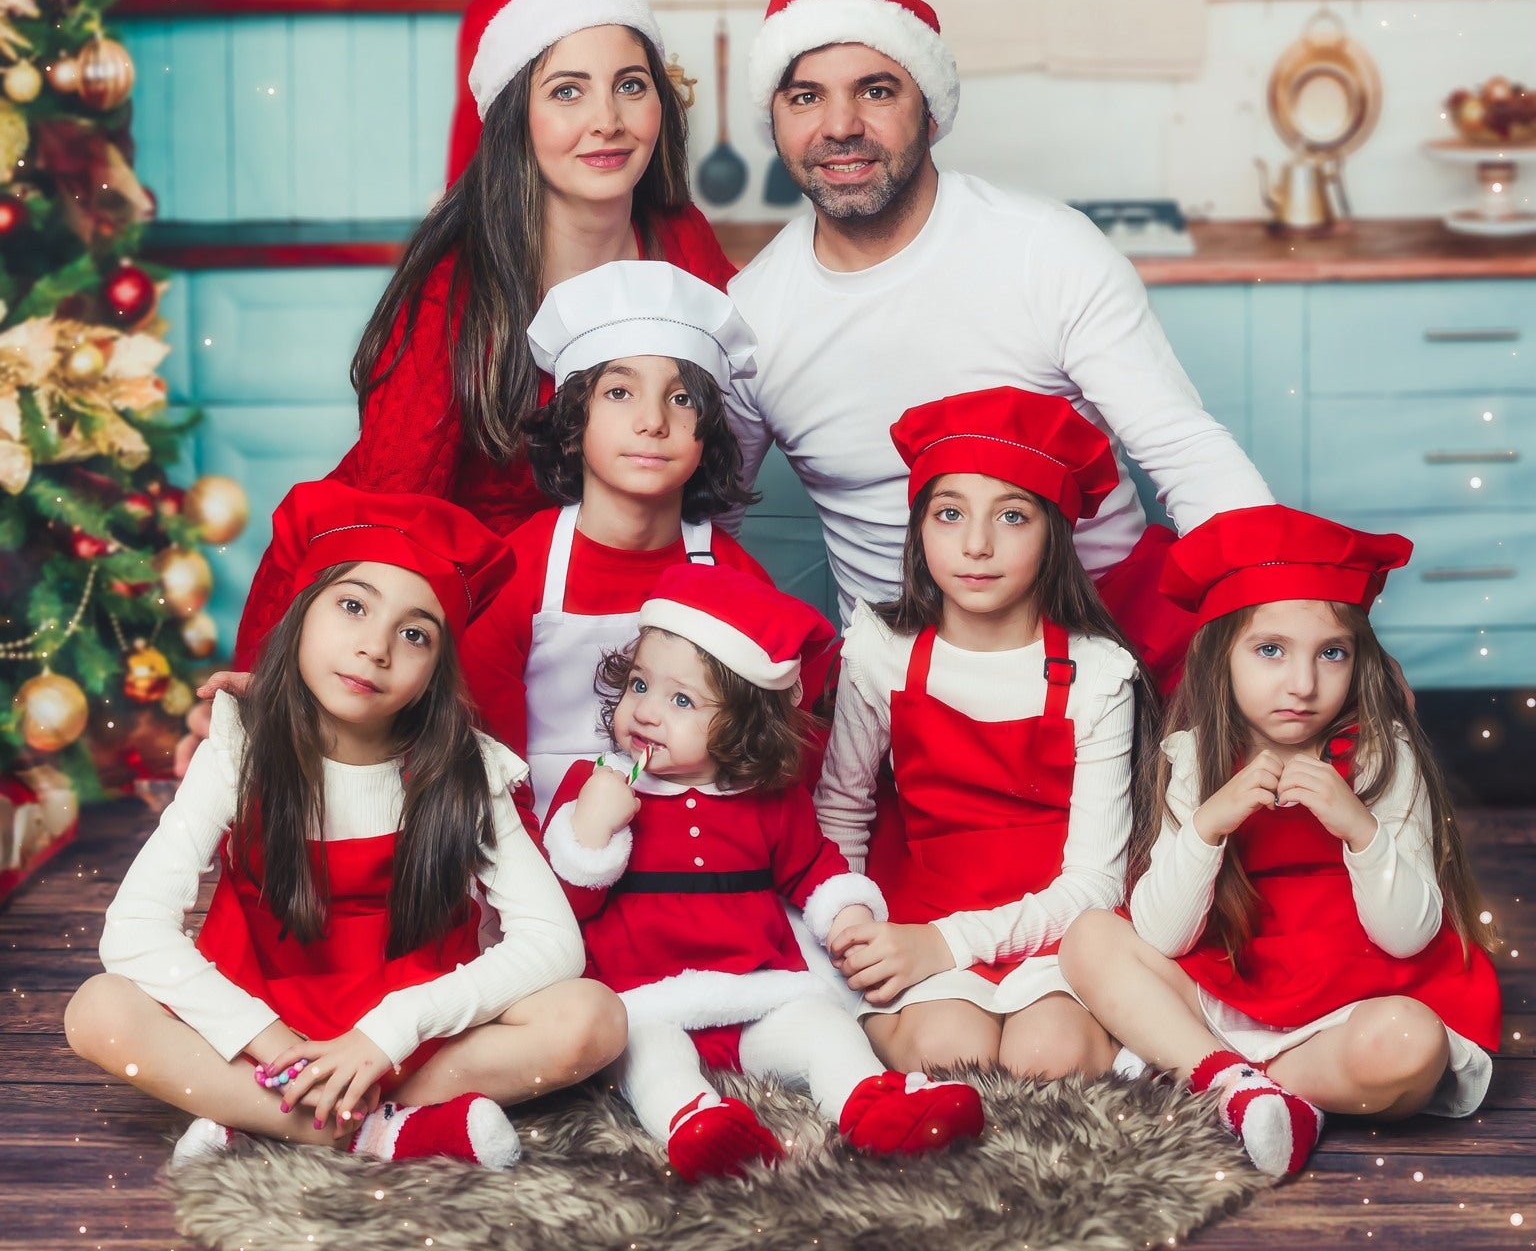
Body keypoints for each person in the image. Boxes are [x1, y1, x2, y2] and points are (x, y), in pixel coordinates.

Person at [726, 0, 1274, 692]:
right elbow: (707, 525)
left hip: (1107, 636)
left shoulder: (1046, 249)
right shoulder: (751, 314)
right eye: (806, 97)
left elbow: (1186, 454)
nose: (841, 126)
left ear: (931, 109)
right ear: (778, 122)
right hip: (905, 680)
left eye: (877, 90)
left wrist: (1288, 605)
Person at [65, 482, 622, 1170]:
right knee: (97, 1011)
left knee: (592, 1021)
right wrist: (268, 1040)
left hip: (404, 1036)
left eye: (414, 633)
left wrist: (389, 1033)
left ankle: (267, 1114)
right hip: (259, 1020)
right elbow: (134, 928)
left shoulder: (464, 768)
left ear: (434, 671)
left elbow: (551, 943)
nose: (375, 648)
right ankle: (371, 1129)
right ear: (301, 616)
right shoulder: (241, 743)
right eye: (352, 606)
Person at [230, 0, 733, 669]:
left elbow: (732, 421)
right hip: (464, 606)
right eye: (567, 92)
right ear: (513, 120)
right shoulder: (456, 288)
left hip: (638, 596)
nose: (608, 122)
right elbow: (390, 515)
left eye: (630, 85)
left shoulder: (682, 240)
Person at [1058, 506, 1502, 1179]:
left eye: (1331, 653)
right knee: (1089, 938)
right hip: (1229, 984)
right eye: (1270, 650)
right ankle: (1239, 1086)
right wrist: (1210, 825)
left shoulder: (1386, 753)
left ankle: (1231, 1081)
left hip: (1353, 1001)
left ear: (1358, 659)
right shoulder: (1193, 755)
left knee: (1412, 1048)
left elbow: (1408, 936)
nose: (1302, 684)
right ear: (1221, 657)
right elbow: (1163, 937)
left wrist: (1359, 826)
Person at [541, 564, 986, 1181]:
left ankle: (873, 1104)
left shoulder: (766, 798)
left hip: (757, 992)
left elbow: (812, 867)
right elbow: (562, 911)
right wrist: (589, 831)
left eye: (680, 701)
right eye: (639, 685)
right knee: (649, 1057)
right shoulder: (595, 787)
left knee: (824, 1031)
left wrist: (847, 912)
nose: (644, 712)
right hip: (644, 999)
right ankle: (695, 1122)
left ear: (743, 723)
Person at [816, 388, 1148, 1080]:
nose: (976, 545)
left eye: (1013, 516)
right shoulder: (882, 651)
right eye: (950, 514)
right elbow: (843, 808)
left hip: (1057, 921)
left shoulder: (1099, 673)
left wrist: (948, 944)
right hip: (920, 906)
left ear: (1053, 531)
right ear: (920, 527)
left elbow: (1093, 881)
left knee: (1045, 1057)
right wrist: (850, 925)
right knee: (949, 1051)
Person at [459, 259, 775, 815]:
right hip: (538, 841)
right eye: (619, 393)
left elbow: (776, 739)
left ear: (708, 433)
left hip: (693, 854)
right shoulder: (516, 570)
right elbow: (486, 755)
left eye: (681, 399)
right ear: (573, 426)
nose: (653, 421)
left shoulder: (733, 578)